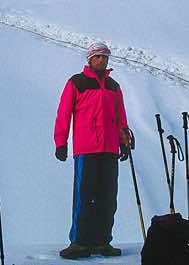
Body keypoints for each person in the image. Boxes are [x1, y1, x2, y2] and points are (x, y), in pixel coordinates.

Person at [54, 42, 131, 259]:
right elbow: (64, 113)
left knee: (108, 197)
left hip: (109, 149)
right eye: (98, 57)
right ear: (90, 59)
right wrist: (61, 142)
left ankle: (102, 241)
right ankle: (79, 242)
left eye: (105, 57)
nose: (102, 60)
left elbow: (120, 116)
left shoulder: (113, 86)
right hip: (87, 149)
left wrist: (123, 140)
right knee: (84, 196)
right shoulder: (77, 82)